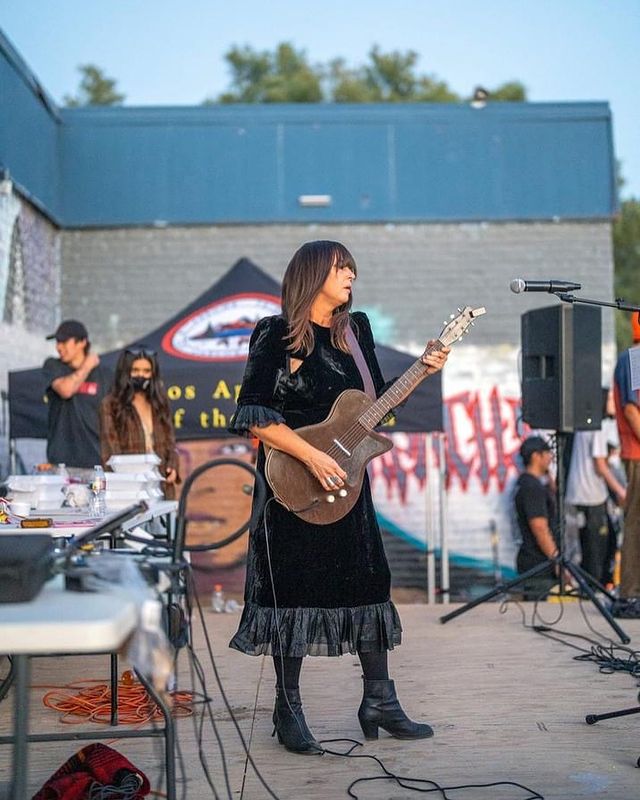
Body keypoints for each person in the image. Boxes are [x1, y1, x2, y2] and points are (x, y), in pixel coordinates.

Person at [227, 240, 449, 755]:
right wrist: (311, 455)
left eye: (352, 266)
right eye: (340, 266)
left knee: (369, 580)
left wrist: (421, 371)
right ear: (312, 273)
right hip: (294, 485)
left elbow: (372, 413)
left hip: (348, 483)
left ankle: (380, 701)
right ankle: (288, 709)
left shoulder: (357, 331)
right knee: (295, 591)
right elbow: (254, 414)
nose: (351, 274)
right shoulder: (275, 333)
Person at [99, 346, 180, 499]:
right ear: (125, 371)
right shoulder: (111, 404)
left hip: (160, 484)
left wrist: (173, 466)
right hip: (130, 489)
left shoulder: (159, 402)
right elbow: (110, 450)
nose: (141, 376)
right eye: (135, 370)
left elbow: (170, 442)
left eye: (146, 371)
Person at [565, 389, 626, 585]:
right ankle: (595, 592)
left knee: (584, 549)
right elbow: (599, 465)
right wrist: (620, 490)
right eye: (609, 398)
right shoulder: (597, 427)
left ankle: (587, 589)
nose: (613, 402)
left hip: (577, 495)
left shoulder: (584, 426)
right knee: (597, 551)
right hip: (591, 496)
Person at [43, 319, 112, 473]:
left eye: (64, 342)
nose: (58, 347)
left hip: (96, 462)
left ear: (82, 342)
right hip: (61, 463)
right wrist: (87, 365)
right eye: (57, 342)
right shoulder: (53, 366)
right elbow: (66, 390)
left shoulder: (105, 375)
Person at [613, 314, 640, 602]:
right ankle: (631, 593)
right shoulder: (636, 357)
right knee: (636, 523)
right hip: (637, 454)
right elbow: (632, 410)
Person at [514, 435, 559, 600]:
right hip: (538, 565)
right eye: (547, 453)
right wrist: (556, 559)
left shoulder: (530, 484)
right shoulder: (531, 487)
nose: (550, 458)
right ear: (535, 456)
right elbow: (539, 527)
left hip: (536, 564)